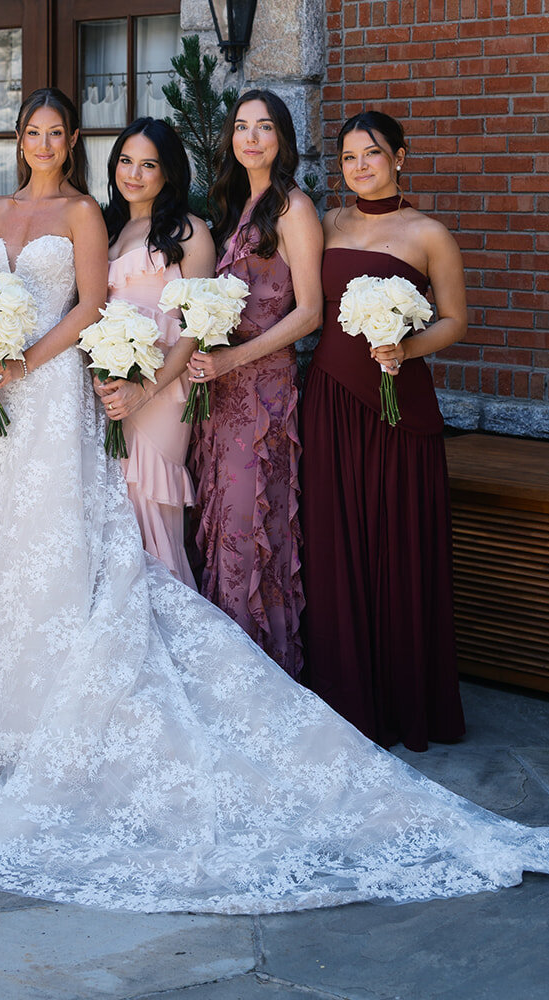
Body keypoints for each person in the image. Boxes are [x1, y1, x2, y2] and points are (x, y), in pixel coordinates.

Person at [0, 88, 549, 915]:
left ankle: (86, 691)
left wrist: (40, 367)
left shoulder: (138, 220)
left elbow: (104, 306)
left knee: (74, 536)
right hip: (5, 389)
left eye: (61, 132)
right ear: (21, 139)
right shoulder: (10, 210)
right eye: (34, 131)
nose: (48, 142)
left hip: (78, 386)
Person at [300, 109, 469, 752]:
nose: (359, 166)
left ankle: (405, 701)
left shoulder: (429, 233)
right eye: (347, 158)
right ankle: (345, 695)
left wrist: (408, 345)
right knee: (335, 541)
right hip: (332, 403)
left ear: (399, 156)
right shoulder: (326, 225)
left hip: (398, 404)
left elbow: (456, 319)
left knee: (397, 540)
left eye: (371, 154)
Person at [189, 90, 323, 678]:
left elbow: (310, 311)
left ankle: (260, 677)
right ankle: (224, 672)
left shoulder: (293, 207)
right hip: (221, 393)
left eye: (263, 127)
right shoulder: (236, 209)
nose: (251, 137)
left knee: (251, 530)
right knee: (221, 526)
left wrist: (235, 357)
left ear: (282, 139)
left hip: (263, 391)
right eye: (241, 127)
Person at [95, 117, 214, 585]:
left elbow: (195, 329)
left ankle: (165, 610)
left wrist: (144, 390)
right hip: (111, 387)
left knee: (149, 496)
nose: (134, 174)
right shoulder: (109, 230)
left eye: (149, 164)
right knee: (114, 503)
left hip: (163, 390)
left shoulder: (189, 233)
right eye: (126, 161)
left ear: (169, 172)